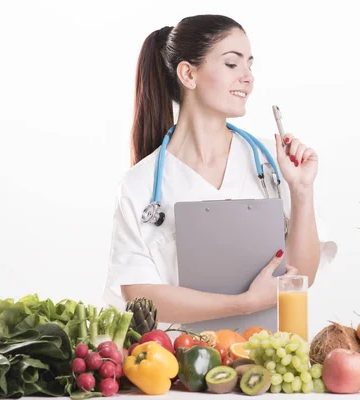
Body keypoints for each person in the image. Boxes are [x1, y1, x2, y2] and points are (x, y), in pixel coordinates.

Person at [103, 15, 337, 325]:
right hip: (179, 361)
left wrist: (302, 189)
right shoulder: (139, 184)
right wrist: (243, 304)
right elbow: (139, 295)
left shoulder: (275, 162)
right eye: (232, 64)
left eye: (249, 65)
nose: (248, 77)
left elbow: (301, 277)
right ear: (188, 73)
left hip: (270, 357)